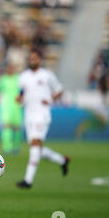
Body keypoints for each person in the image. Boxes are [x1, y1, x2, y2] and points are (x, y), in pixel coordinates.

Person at [16, 49, 70, 189]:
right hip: (29, 114)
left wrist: (51, 99)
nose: (32, 61)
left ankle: (28, 180)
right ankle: (62, 160)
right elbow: (22, 92)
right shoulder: (23, 76)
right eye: (31, 58)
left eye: (35, 58)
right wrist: (19, 98)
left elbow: (59, 90)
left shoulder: (47, 75)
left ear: (39, 60)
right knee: (36, 148)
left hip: (42, 114)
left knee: (35, 144)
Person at [0, 63, 23, 154]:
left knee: (17, 127)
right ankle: (7, 147)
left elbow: (23, 91)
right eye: (8, 68)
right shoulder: (3, 79)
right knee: (6, 126)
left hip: (17, 106)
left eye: (12, 68)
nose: (10, 70)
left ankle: (16, 146)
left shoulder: (18, 79)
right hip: (6, 106)